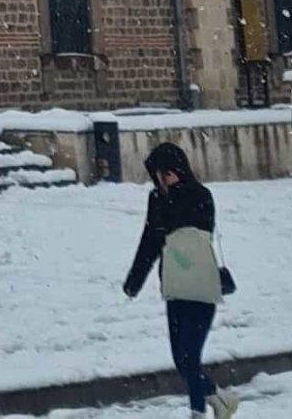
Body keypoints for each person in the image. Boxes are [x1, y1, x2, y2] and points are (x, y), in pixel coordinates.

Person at [120, 141, 237, 416]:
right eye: (157, 176)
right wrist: (134, 281)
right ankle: (219, 399)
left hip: (201, 285)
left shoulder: (200, 195)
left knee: (191, 357)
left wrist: (176, 192)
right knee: (181, 361)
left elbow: (197, 230)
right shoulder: (157, 199)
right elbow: (150, 241)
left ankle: (198, 412)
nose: (159, 181)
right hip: (174, 286)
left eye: (163, 174)